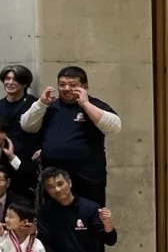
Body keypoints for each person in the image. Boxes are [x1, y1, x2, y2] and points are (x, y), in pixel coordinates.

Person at [21, 67, 121, 205]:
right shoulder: (50, 106)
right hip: (54, 179)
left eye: (73, 85)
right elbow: (27, 125)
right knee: (56, 216)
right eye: (62, 85)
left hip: (88, 178)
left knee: (90, 215)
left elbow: (114, 128)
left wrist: (85, 104)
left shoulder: (94, 105)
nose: (66, 88)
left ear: (84, 87)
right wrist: (41, 104)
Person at [38, 168, 117, 252]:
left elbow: (110, 240)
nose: (57, 189)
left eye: (60, 184)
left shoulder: (91, 208)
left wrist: (107, 224)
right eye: (51, 187)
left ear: (69, 183)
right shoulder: (46, 210)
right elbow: (45, 241)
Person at [0, 64, 38, 154]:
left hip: (28, 156)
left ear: (25, 84)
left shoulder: (34, 105)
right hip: (2, 155)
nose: (10, 82)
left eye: (15, 79)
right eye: (7, 79)